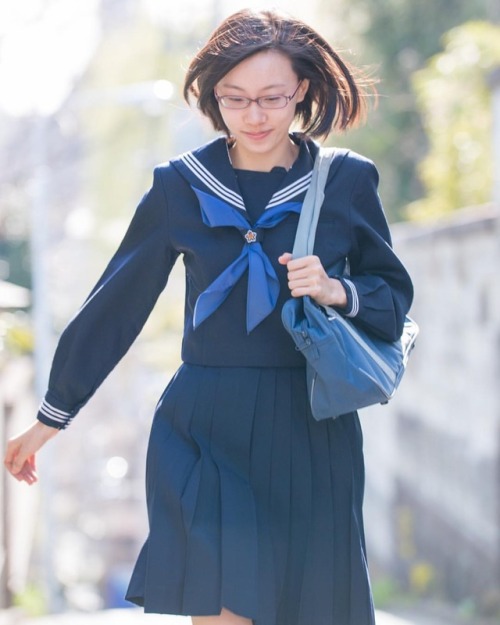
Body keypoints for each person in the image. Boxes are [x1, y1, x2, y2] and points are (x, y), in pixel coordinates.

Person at [4, 8, 413, 625]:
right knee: (221, 611)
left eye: (272, 98)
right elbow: (116, 304)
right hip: (205, 426)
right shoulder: (179, 186)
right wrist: (50, 418)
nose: (254, 116)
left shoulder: (345, 182)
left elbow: (393, 298)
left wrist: (335, 290)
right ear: (211, 97)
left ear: (301, 90)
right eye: (235, 98)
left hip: (311, 426)